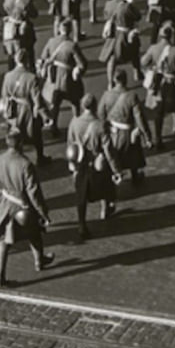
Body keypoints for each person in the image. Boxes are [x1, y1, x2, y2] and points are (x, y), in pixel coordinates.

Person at [0, 129, 53, 287]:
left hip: (4, 204)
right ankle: (39, 261)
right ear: (21, 144)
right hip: (21, 206)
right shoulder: (25, 164)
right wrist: (43, 213)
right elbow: (34, 192)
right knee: (35, 231)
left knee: (3, 241)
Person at [67, 93, 123, 239]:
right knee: (106, 186)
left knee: (81, 196)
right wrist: (116, 170)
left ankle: (81, 224)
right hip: (96, 162)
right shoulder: (100, 125)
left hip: (80, 163)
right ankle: (105, 210)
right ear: (95, 106)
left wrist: (71, 163)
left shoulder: (75, 122)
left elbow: (70, 144)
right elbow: (108, 149)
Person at [140, 22, 175, 149]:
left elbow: (143, 62)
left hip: (157, 83)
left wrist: (148, 71)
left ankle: (158, 139)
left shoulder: (153, 48)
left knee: (158, 112)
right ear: (171, 36)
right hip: (170, 82)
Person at [98, 70, 151, 183]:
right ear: (126, 80)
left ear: (114, 80)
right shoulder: (132, 96)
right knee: (133, 156)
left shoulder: (106, 95)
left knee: (113, 155)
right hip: (128, 132)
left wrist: (105, 130)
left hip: (112, 132)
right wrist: (147, 136)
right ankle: (135, 178)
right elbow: (139, 118)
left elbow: (101, 115)